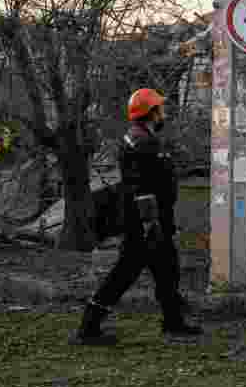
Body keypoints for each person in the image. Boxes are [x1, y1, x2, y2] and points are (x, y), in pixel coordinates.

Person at [71, 88, 202, 345]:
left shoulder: (140, 138)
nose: (164, 112)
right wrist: (151, 225)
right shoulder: (144, 143)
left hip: (150, 220)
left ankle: (173, 321)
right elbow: (142, 188)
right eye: (160, 108)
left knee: (167, 270)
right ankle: (89, 326)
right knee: (124, 273)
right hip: (144, 223)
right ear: (151, 113)